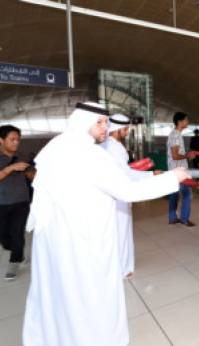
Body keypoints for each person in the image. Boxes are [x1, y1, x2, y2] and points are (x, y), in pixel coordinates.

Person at [22, 102, 189, 346]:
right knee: (89, 296)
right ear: (83, 122)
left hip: (55, 239)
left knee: (58, 292)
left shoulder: (56, 146)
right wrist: (171, 178)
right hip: (83, 239)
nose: (105, 127)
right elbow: (126, 190)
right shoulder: (89, 154)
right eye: (99, 122)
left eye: (106, 122)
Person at [102, 113, 152, 278]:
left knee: (116, 232)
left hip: (112, 195)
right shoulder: (115, 147)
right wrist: (151, 175)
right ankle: (123, 268)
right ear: (120, 129)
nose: (127, 131)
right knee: (121, 232)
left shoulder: (107, 144)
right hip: (119, 196)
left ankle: (118, 265)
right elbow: (126, 175)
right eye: (126, 128)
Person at [0, 125, 35, 280]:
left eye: (18, 140)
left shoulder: (22, 157)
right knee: (4, 237)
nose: (16, 143)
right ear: (1, 140)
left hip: (21, 202)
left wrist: (33, 174)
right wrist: (10, 168)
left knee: (17, 233)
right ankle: (18, 252)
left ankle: (14, 262)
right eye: (12, 139)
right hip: (2, 203)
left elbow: (33, 177)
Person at [167, 112, 197, 227]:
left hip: (174, 170)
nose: (187, 122)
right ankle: (184, 219)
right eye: (186, 120)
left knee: (174, 194)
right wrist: (188, 156)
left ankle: (173, 218)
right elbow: (175, 156)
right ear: (180, 122)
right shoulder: (176, 135)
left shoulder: (174, 134)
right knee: (187, 194)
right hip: (179, 171)